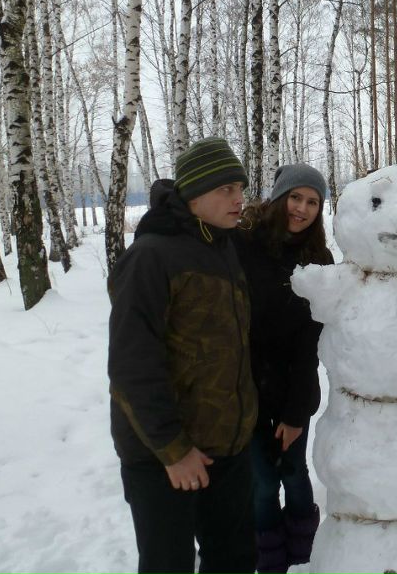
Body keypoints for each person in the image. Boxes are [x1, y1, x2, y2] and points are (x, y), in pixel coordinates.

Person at [108, 137, 257, 574]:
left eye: (240, 188)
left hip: (226, 447)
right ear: (193, 197)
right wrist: (174, 451)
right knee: (167, 564)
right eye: (225, 190)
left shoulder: (222, 246)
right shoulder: (150, 258)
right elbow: (132, 366)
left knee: (233, 561)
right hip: (164, 457)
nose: (238, 199)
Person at [236, 164, 334, 574]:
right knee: (260, 482)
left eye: (313, 202)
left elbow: (311, 341)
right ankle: (270, 561)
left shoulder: (319, 258)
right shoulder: (242, 243)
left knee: (293, 473)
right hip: (243, 386)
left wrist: (295, 414)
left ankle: (303, 556)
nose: (303, 209)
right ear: (279, 197)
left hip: (294, 384)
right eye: (296, 197)